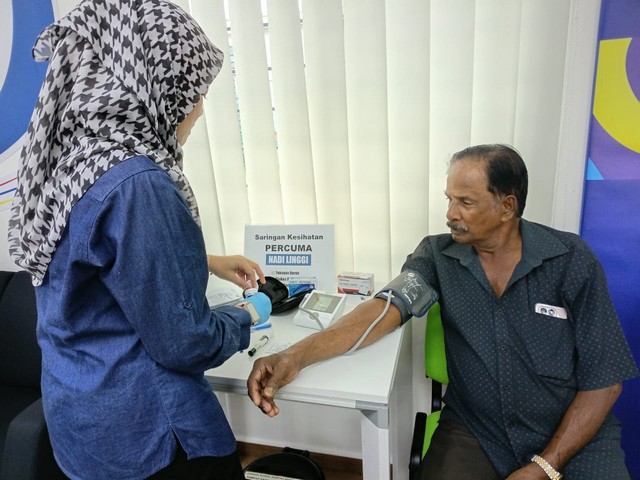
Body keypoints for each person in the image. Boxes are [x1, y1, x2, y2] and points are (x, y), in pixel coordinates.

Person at [248, 144, 639, 479]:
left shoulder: (570, 261)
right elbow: (382, 310)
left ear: (507, 206)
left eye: (465, 202)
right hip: (476, 430)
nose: (451, 213)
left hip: (569, 431)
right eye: (449, 199)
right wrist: (294, 356)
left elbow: (604, 382)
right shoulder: (438, 255)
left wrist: (545, 466)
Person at [7, 1, 270, 478]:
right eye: (194, 91)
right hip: (147, 432)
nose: (198, 109)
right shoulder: (138, 184)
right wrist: (249, 314)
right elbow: (185, 344)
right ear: (155, 88)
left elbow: (90, 263)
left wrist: (208, 260)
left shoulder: (74, 163)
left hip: (83, 422)